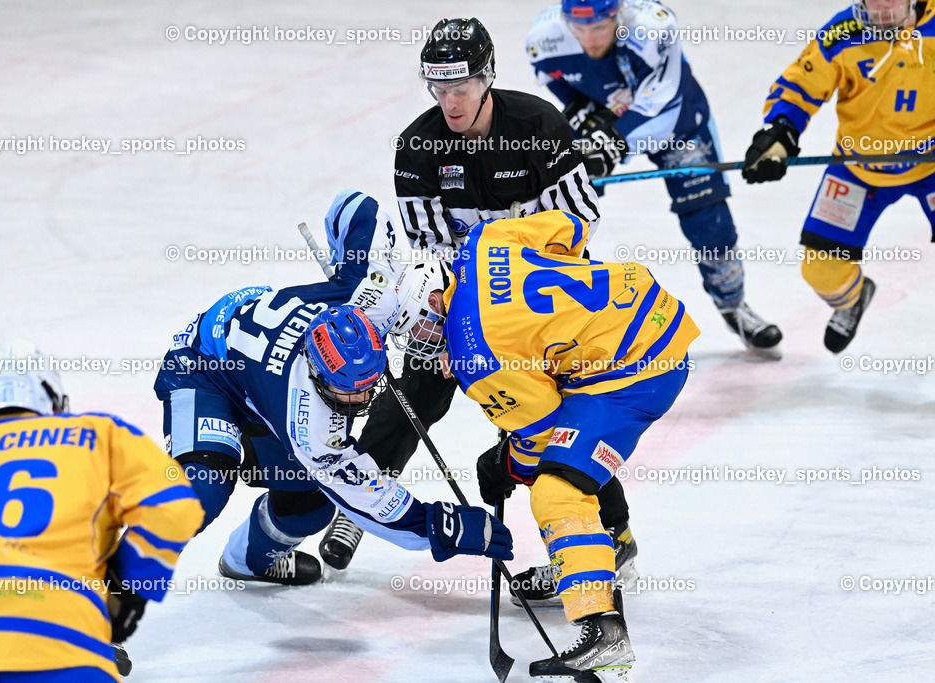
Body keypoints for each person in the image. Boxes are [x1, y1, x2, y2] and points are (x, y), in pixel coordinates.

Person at [320, 16, 624, 572]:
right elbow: (430, 248)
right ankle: (362, 499)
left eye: (459, 88)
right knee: (418, 383)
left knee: (553, 416)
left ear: (487, 78)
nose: (449, 102)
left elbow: (580, 222)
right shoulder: (417, 148)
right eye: (438, 89)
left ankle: (613, 531)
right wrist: (444, 315)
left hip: (540, 298)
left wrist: (505, 267)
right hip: (462, 295)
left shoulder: (538, 124)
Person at [391, 209, 699, 680]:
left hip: (637, 368)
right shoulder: (483, 241)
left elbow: (545, 432)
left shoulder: (478, 358)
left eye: (417, 327)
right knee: (570, 460)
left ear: (435, 298)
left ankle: (603, 628)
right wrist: (550, 327)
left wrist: (506, 463)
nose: (419, 342)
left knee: (556, 487)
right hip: (648, 304)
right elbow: (570, 228)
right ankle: (610, 550)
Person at [153, 271, 513, 586]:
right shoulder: (310, 422)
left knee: (309, 507)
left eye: (369, 384)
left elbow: (355, 207)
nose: (362, 398)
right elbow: (365, 500)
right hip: (204, 370)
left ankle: (247, 562)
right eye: (348, 390)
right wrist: (437, 525)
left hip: (258, 386)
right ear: (317, 373)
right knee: (203, 485)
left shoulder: (370, 301)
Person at [0, 340, 203, 682]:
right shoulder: (97, 434)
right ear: (53, 395)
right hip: (55, 640)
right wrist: (128, 591)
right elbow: (172, 506)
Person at [526, 0, 783, 355]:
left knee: (709, 221)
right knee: (566, 215)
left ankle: (733, 304)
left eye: (599, 27)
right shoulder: (544, 37)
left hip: (678, 123)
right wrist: (589, 127)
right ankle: (557, 317)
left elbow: (664, 105)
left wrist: (612, 142)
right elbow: (567, 96)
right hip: (607, 121)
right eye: (578, 28)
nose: (589, 38)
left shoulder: (652, 29)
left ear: (618, 14)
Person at [743, 0, 935, 352]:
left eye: (890, 4)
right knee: (821, 270)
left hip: (931, 165)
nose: (881, 16)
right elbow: (801, 83)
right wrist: (780, 134)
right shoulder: (843, 32)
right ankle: (853, 299)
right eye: (872, 4)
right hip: (858, 167)